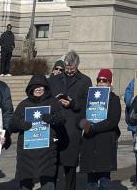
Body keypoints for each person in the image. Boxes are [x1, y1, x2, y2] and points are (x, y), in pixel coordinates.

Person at [10, 74, 66, 190]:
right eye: (36, 86)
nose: (39, 89)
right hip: (27, 152)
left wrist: (52, 119)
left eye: (41, 86)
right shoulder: (23, 105)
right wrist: (21, 124)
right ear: (31, 88)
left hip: (47, 150)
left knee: (48, 183)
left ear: (46, 88)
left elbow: (62, 118)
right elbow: (12, 125)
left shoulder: (53, 103)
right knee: (25, 184)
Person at [48, 51, 93, 190]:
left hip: (72, 126)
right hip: (55, 125)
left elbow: (87, 104)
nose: (69, 71)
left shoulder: (85, 81)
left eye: (72, 69)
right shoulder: (54, 79)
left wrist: (73, 104)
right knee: (52, 163)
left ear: (77, 66)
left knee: (70, 164)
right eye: (67, 68)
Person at [78, 69, 121, 190]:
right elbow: (80, 117)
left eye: (105, 80)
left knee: (104, 180)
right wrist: (86, 126)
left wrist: (94, 128)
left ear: (109, 83)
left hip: (105, 143)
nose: (101, 82)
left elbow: (113, 121)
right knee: (91, 182)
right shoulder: (89, 98)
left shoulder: (114, 99)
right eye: (99, 80)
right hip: (89, 143)